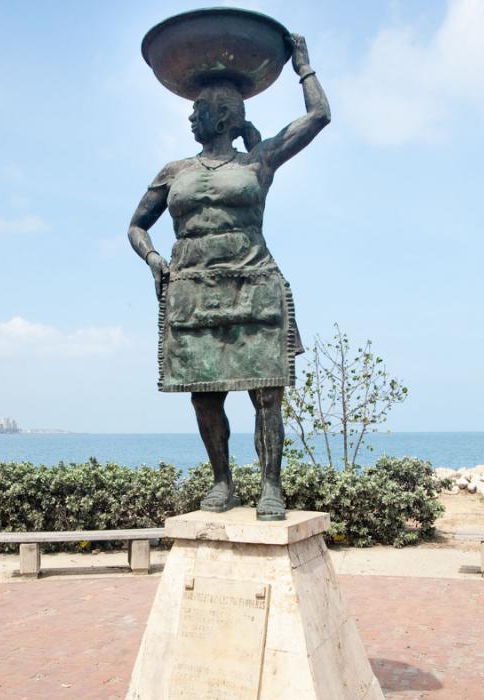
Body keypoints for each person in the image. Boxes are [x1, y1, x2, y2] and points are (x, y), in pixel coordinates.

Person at [128, 34, 330, 520]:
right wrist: (155, 259)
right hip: (193, 289)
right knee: (205, 395)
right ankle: (223, 482)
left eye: (199, 110)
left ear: (224, 115)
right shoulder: (173, 170)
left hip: (253, 282)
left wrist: (303, 65)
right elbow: (137, 225)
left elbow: (319, 117)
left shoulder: (257, 161)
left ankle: (271, 487)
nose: (190, 117)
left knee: (266, 392)